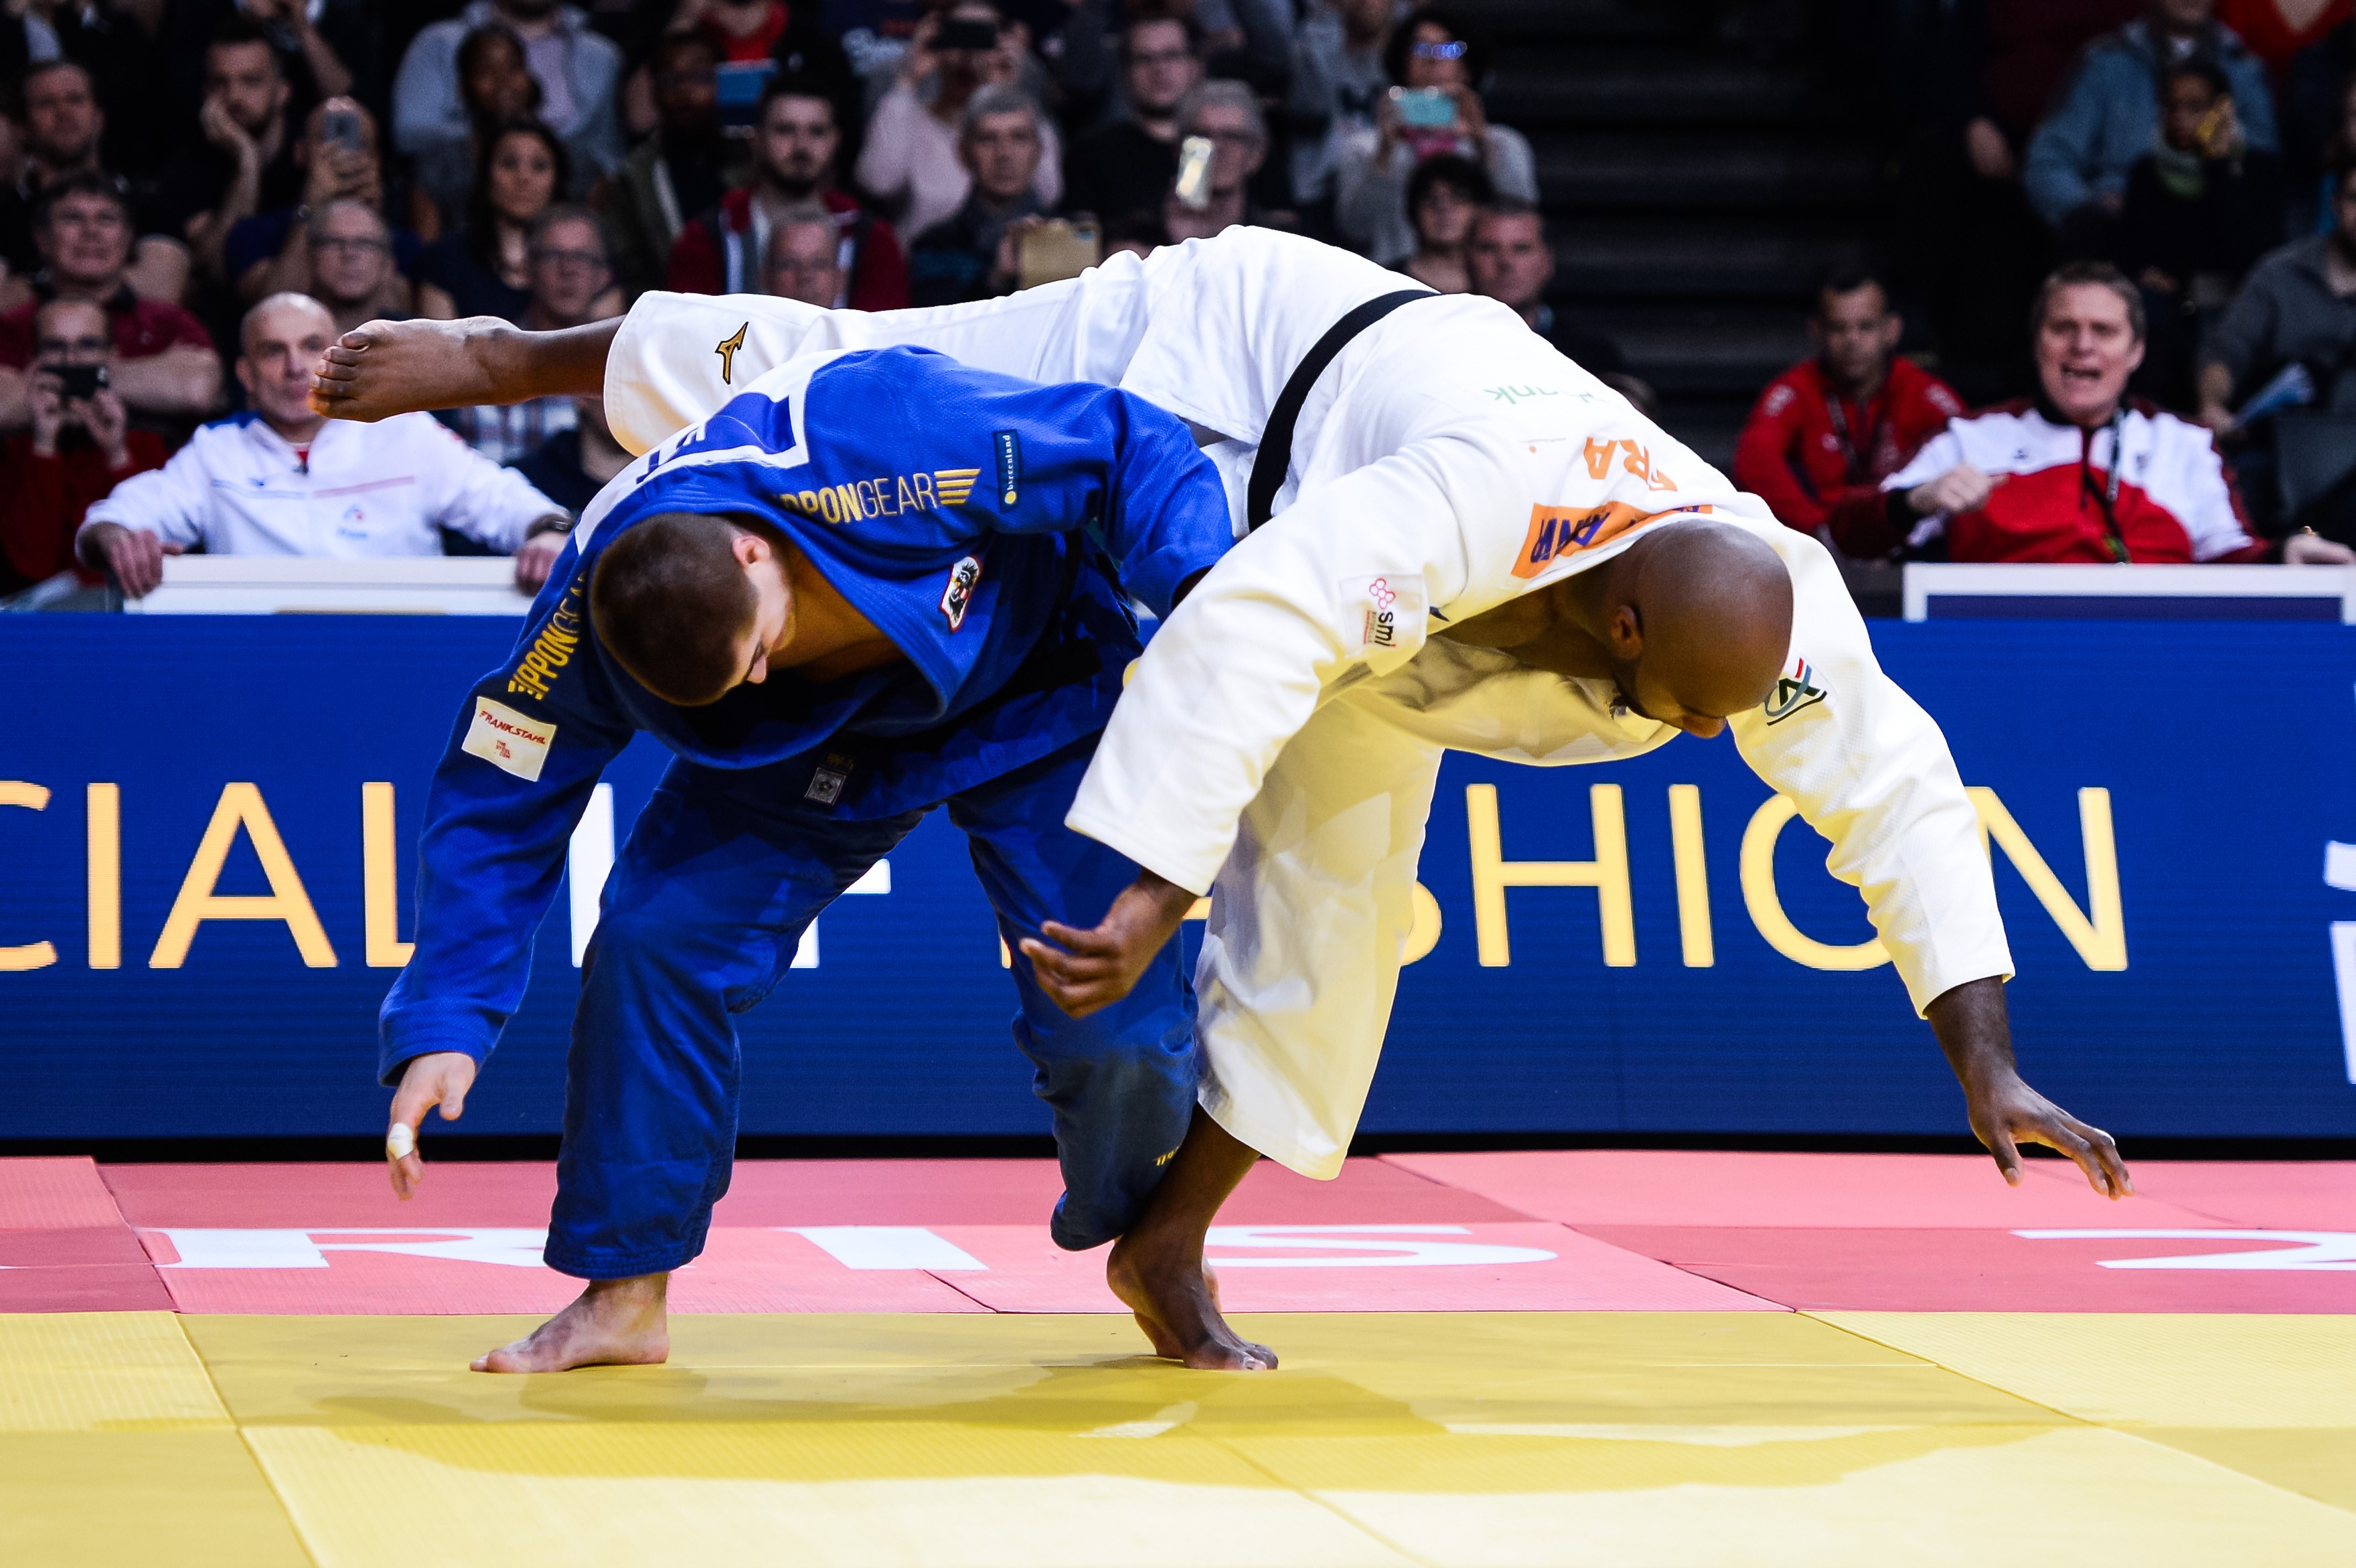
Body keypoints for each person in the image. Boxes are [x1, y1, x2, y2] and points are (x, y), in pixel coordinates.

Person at [310, 227, 2145, 1373]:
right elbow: (1251, 620)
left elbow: (1896, 785)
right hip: (1232, 372)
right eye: (1647, 697)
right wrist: (1148, 874)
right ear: (1598, 602)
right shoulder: (1463, 504)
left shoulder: (1775, 602)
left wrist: (1972, 1046)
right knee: (876, 345)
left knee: (1331, 946)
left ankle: (1158, 1233)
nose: (1665, 737)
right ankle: (511, 353)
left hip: (1287, 632)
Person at [354, 335, 1233, 1378]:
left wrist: (1210, 618)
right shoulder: (585, 614)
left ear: (751, 551)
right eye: (737, 678)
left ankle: (1153, 1241)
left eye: (761, 649)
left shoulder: (892, 436)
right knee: (651, 940)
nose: (759, 672)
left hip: (1035, 681)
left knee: (1109, 1007)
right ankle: (623, 1294)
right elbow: (498, 793)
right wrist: (447, 1017)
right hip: (810, 749)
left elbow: (1130, 447)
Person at [1841, 262, 2353, 563]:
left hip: (2157, 659)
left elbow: (2232, 558)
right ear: (2036, 342)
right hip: (2000, 660)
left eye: (2103, 331)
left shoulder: (2185, 443)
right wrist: (1917, 501)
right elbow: (1848, 533)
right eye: (2062, 328)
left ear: (2135, 351)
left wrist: (2282, 553)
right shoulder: (1969, 439)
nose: (2081, 346)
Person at [80, 293, 566, 595]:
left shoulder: (402, 431)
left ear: (337, 358)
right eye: (274, 351)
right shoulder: (216, 451)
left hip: (399, 655)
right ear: (246, 375)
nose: (295, 367)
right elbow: (113, 517)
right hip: (259, 665)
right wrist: (120, 540)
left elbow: (505, 500)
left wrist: (547, 532)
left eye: (312, 346)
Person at [1734, 270, 1966, 548]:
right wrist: (1815, 530)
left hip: (1906, 540)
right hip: (1823, 542)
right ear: (1816, 331)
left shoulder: (1923, 392)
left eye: (1865, 327)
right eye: (1838, 328)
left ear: (1891, 330)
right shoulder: (1796, 389)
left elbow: (1969, 455)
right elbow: (1754, 462)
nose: (1852, 340)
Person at [2024, 0, 2279, 250]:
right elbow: (2050, 159)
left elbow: (2265, 170)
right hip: (2115, 235)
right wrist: (2088, 213)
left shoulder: (2244, 69)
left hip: (2213, 237)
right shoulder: (2105, 61)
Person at [2115, 60, 2284, 408]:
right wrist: (2146, 273)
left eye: (2195, 107)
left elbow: (2249, 255)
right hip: (2170, 313)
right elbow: (2136, 252)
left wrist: (2219, 165)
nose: (2181, 118)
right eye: (2171, 106)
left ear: (2224, 110)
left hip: (2237, 308)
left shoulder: (2260, 172)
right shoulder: (2146, 174)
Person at [0, 173, 220, 430]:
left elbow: (196, 388)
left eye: (106, 219)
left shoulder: (168, 321)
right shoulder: (10, 324)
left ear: (128, 240)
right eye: (73, 218)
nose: (91, 232)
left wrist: (45, 382)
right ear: (43, 239)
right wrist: (130, 376)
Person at [665, 76, 908, 308]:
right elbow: (691, 336)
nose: (801, 145)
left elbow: (884, 341)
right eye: (785, 130)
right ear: (757, 140)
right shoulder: (707, 236)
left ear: (835, 141)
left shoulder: (873, 238)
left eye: (816, 131)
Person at [1334, 5, 1536, 268]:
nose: (1433, 59)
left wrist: (1481, 144)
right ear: (1403, 64)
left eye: (1448, 49)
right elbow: (1355, 227)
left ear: (1467, 68)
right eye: (1420, 49)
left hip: (1481, 283)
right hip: (1393, 280)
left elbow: (1522, 222)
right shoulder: (1366, 147)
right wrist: (1385, 153)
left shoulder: (1504, 144)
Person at [856, 2, 1061, 244]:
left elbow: (1049, 191)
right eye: (959, 33)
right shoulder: (910, 118)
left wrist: (1007, 94)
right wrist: (907, 81)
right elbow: (878, 183)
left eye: (981, 36)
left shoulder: (1015, 121)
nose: (969, 51)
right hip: (928, 270)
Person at [0, 295, 164, 593]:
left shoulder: (150, 444)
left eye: (87, 346)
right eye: (55, 347)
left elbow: (151, 557)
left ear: (111, 360)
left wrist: (117, 454)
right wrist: (44, 444)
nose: (71, 361)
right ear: (34, 363)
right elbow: (29, 566)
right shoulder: (14, 452)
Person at [0, 61, 186, 311]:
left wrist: (43, 283)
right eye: (46, 103)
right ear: (23, 129)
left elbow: (160, 289)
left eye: (76, 99)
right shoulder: (5, 211)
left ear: (99, 118)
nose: (63, 111)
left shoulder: (147, 201)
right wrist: (109, 280)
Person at [394, 0, 624, 200]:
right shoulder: (439, 41)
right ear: (463, 88)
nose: (503, 81)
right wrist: (495, 139)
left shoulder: (603, 55)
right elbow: (411, 136)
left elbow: (611, 157)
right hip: (463, 180)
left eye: (514, 67)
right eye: (485, 70)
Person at [441, 205, 615, 463]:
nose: (568, 269)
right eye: (553, 255)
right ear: (527, 270)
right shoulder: (485, 355)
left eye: (582, 257)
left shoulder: (621, 364)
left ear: (604, 276)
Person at [225, 98, 418, 309]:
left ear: (377, 159)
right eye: (329, 140)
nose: (343, 155)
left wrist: (369, 222)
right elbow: (274, 311)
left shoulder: (406, 243)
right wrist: (311, 209)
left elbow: (401, 317)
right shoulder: (255, 232)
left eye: (358, 143)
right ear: (300, 152)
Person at [153, 19, 304, 289]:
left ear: (283, 92)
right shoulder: (186, 166)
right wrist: (247, 161)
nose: (234, 96)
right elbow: (218, 267)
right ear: (206, 93)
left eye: (251, 81)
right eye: (220, 83)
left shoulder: (308, 154)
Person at [597, 31, 744, 300]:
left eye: (700, 77)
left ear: (724, 81)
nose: (684, 91)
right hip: (670, 312)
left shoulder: (754, 159)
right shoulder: (633, 176)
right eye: (670, 80)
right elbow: (632, 270)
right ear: (653, 90)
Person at [416, 119, 603, 323]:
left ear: (557, 179)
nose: (523, 177)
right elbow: (438, 350)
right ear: (486, 175)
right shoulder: (446, 259)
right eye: (509, 163)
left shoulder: (590, 259)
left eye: (539, 166)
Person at [1465, 198, 1643, 408]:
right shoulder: (1443, 343)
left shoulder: (1593, 355)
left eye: (1521, 249)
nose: (1506, 262)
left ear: (1547, 262)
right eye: (1489, 248)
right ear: (1467, 259)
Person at [908, 86, 1044, 307]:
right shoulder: (934, 247)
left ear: (1038, 151)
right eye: (988, 139)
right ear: (963, 152)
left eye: (1019, 137)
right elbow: (938, 330)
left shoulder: (1076, 237)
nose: (1004, 154)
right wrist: (995, 280)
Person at [1061, 13, 1199, 226]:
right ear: (1125, 72)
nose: (1159, 70)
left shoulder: (1220, 145)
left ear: (1195, 67)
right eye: (1145, 59)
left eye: (1171, 56)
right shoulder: (1092, 153)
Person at [1289, 0, 1399, 223]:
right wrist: (1327, 15)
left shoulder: (1408, 52)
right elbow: (1309, 101)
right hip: (1319, 187)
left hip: (1384, 182)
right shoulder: (1313, 48)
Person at [1160, 80, 1275, 244]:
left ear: (1256, 155)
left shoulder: (1278, 241)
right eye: (1204, 136)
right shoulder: (1143, 239)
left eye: (1232, 137)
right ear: (1179, 149)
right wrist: (1182, 245)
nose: (1218, 148)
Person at [283, 200, 410, 339]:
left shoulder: (412, 338)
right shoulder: (283, 335)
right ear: (310, 258)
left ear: (389, 265)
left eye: (364, 243)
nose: (349, 253)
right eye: (334, 242)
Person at [510, 391, 628, 517]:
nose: (635, 402)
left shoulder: (650, 484)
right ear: (581, 395)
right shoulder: (523, 480)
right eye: (614, 384)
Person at [1393, 152, 1486, 293]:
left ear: (1482, 208)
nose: (1444, 208)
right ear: (1414, 211)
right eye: (1431, 199)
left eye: (1459, 197)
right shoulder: (1387, 283)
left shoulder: (1504, 282)